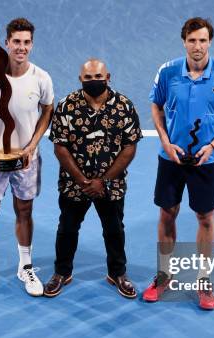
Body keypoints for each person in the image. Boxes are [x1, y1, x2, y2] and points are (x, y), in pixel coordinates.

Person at [144, 17, 214, 310]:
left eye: (202, 40)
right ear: (184, 42)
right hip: (172, 157)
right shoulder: (167, 72)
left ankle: (204, 279)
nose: (197, 46)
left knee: (205, 218)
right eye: (192, 40)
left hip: (207, 160)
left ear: (209, 41)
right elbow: (155, 105)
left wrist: (213, 144)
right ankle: (165, 274)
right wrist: (164, 140)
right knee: (167, 213)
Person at [0, 17, 54, 298]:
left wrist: (32, 146)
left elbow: (47, 110)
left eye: (26, 42)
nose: (21, 47)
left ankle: (25, 266)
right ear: (6, 43)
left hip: (26, 161)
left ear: (32, 45)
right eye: (16, 42)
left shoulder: (41, 78)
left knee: (24, 211)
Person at [44, 58, 142, 299]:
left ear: (108, 77)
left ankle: (117, 274)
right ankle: (61, 273)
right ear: (81, 79)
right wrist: (82, 181)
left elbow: (130, 147)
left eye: (98, 77)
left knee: (114, 229)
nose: (94, 81)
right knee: (67, 229)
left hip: (111, 185)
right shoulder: (67, 106)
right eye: (88, 78)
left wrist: (104, 181)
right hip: (74, 184)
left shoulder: (124, 106)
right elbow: (60, 147)